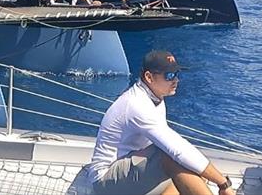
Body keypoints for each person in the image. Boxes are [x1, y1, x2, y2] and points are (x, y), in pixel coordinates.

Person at [89, 50, 236, 195]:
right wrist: (222, 183)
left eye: (176, 74)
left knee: (197, 170)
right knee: (170, 156)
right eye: (169, 75)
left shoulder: (156, 98)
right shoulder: (136, 104)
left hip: (132, 170)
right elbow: (176, 149)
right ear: (149, 77)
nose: (176, 80)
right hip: (105, 181)